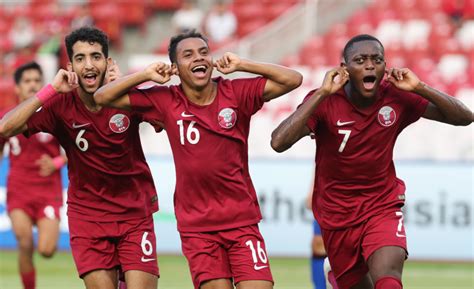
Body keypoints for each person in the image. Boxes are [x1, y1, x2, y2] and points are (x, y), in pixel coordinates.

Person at [94, 29, 302, 289]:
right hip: (198, 228)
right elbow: (102, 97)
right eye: (188, 55)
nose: (198, 59)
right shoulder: (165, 100)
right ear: (175, 68)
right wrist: (146, 75)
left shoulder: (236, 93)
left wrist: (243, 64)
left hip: (242, 220)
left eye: (204, 53)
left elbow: (293, 79)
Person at [270, 34, 473, 289]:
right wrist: (322, 94)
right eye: (360, 60)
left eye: (377, 59)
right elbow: (278, 142)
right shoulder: (325, 100)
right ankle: (335, 275)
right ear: (344, 69)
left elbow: (465, 117)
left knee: (388, 281)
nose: (369, 65)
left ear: (384, 66)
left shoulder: (396, 96)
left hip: (381, 205)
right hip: (336, 214)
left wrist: (420, 87)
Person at [0, 26, 159, 289]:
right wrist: (50, 89)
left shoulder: (127, 99)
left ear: (107, 63)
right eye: (80, 58)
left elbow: (168, 119)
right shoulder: (60, 104)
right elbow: (5, 127)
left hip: (134, 213)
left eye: (96, 57)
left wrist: (128, 83)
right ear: (70, 66)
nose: (89, 65)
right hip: (88, 218)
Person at [0, 62, 66, 289]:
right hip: (19, 189)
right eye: (27, 81)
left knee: (47, 251)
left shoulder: (55, 114)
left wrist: (58, 161)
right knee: (25, 242)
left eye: (36, 80)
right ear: (17, 88)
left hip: (49, 190)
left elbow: (78, 146)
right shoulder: (7, 119)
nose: (32, 85)